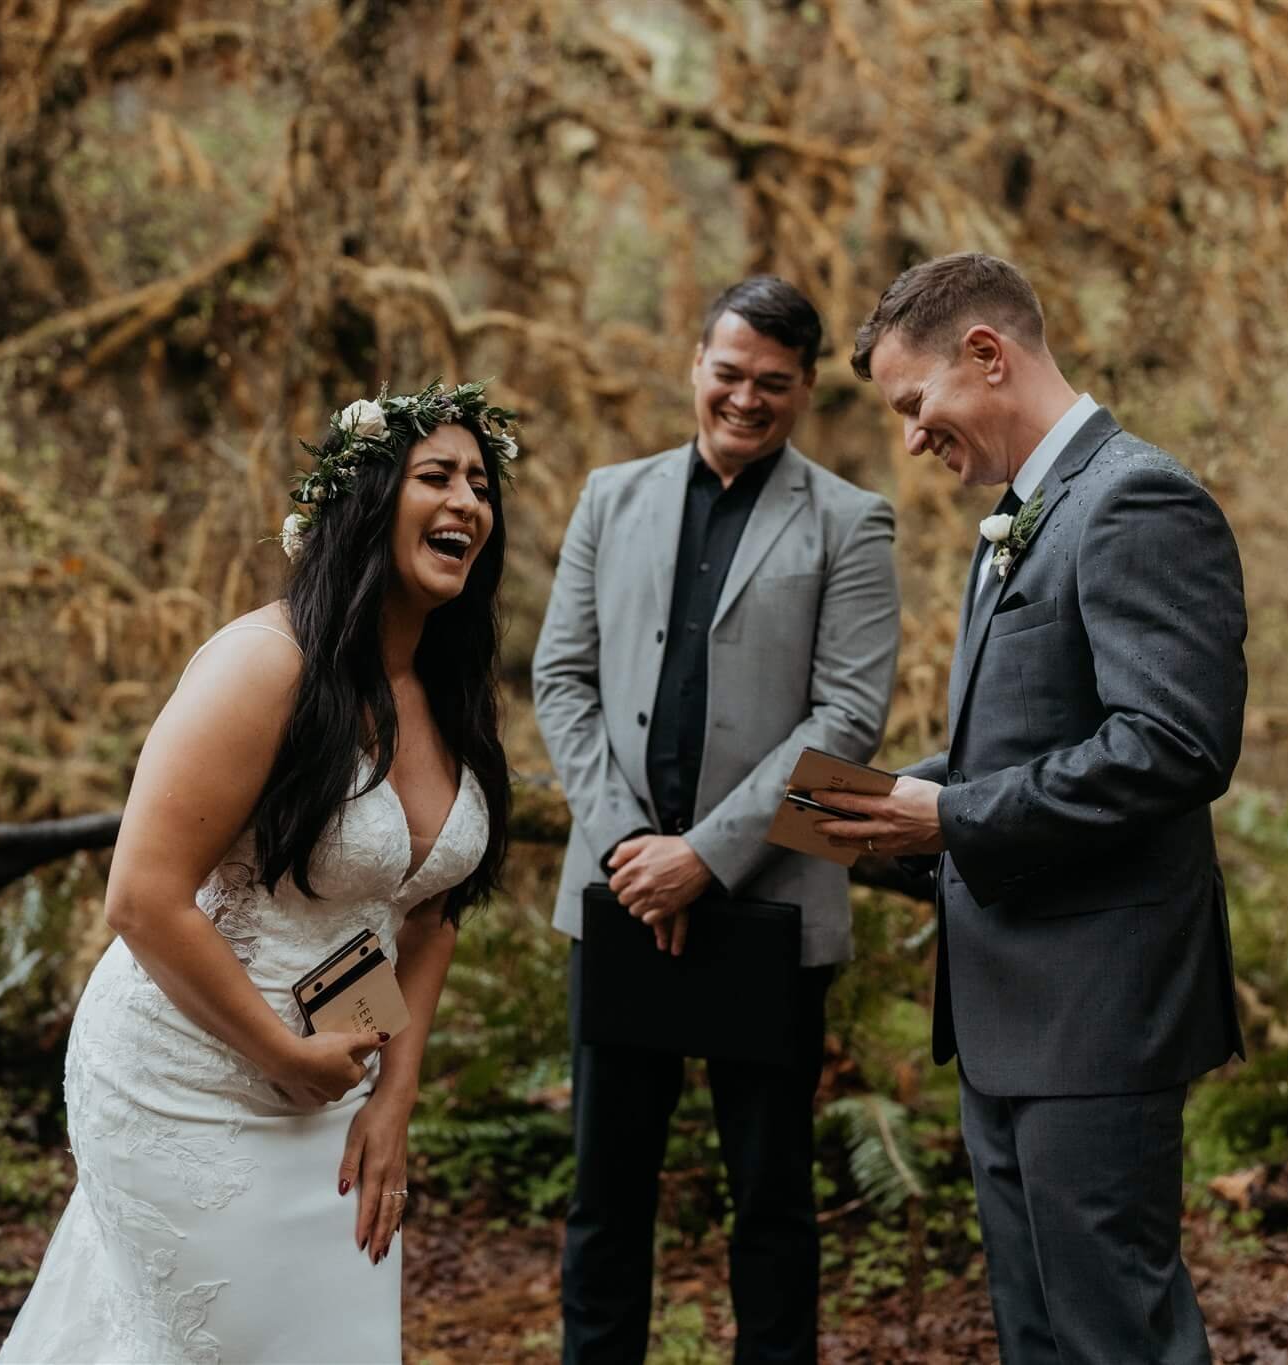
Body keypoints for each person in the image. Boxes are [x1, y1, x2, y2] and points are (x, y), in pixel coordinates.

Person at [0, 381, 518, 1364]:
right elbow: (140, 897)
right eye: (436, 477)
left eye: (481, 487)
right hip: (181, 1084)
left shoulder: (450, 694)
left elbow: (429, 916)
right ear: (365, 498)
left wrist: (391, 1099)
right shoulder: (263, 666)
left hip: (336, 1096)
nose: (466, 504)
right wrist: (282, 1057)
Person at [817, 252, 1247, 1365]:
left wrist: (947, 820)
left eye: (916, 405)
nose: (911, 437)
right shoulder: (1025, 514)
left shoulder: (1135, 497)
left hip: (1098, 1015)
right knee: (1037, 1336)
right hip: (1012, 1017)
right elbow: (1011, 746)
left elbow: (1169, 745)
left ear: (986, 355)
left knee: (1114, 1335)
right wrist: (811, 808)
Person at [532, 276, 901, 1362]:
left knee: (772, 1201)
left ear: (801, 393)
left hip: (772, 905)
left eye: (773, 385)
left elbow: (849, 722)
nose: (746, 399)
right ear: (695, 364)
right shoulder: (609, 497)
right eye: (729, 374)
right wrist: (627, 852)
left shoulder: (850, 521)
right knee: (605, 1197)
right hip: (616, 899)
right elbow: (560, 679)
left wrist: (704, 858)